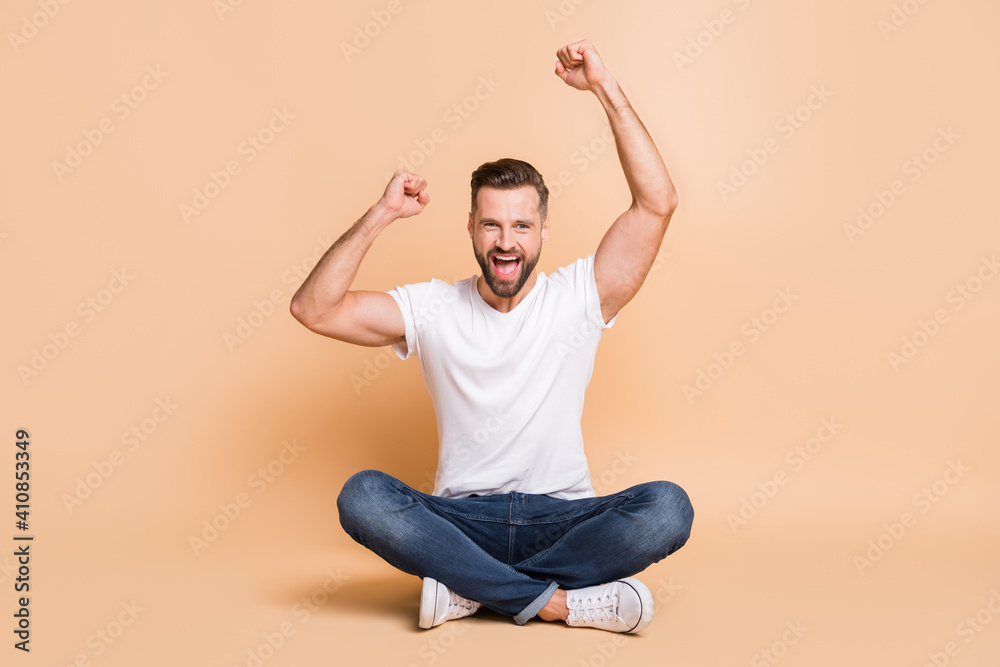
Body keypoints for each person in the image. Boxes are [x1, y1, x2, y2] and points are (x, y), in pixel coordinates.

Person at [290, 39, 693, 634]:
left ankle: (470, 588)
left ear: (544, 231)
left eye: (522, 225)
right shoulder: (430, 307)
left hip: (564, 517)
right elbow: (313, 309)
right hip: (460, 519)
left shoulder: (579, 296)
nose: (507, 241)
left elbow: (657, 203)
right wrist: (381, 213)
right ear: (472, 229)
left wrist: (604, 87)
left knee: (667, 509)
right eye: (492, 225)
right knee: (363, 495)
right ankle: (556, 603)